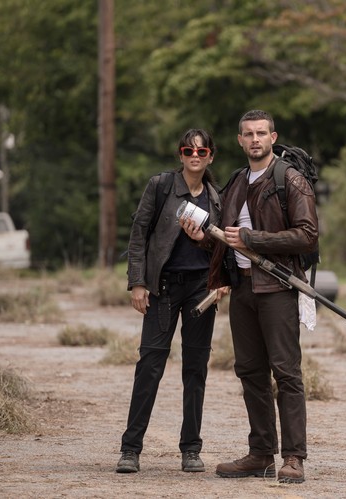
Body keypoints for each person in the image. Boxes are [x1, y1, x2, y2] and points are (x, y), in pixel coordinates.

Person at [182, 110, 318, 483]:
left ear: (273, 137)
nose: (255, 139)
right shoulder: (237, 181)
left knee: (286, 373)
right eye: (248, 134)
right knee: (250, 372)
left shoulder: (290, 179)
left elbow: (308, 235)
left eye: (261, 133)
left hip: (278, 288)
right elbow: (225, 237)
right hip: (242, 289)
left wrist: (253, 238)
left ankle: (294, 458)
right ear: (240, 140)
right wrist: (203, 237)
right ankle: (261, 454)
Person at [116, 128, 222, 474]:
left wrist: (221, 281)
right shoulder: (161, 186)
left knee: (195, 369)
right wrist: (137, 283)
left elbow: (220, 247)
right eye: (188, 151)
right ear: (180, 155)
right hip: (163, 287)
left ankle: (191, 449)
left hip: (200, 289)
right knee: (150, 366)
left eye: (201, 151)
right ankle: (130, 449)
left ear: (210, 156)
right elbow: (139, 234)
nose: (195, 156)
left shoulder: (216, 197)